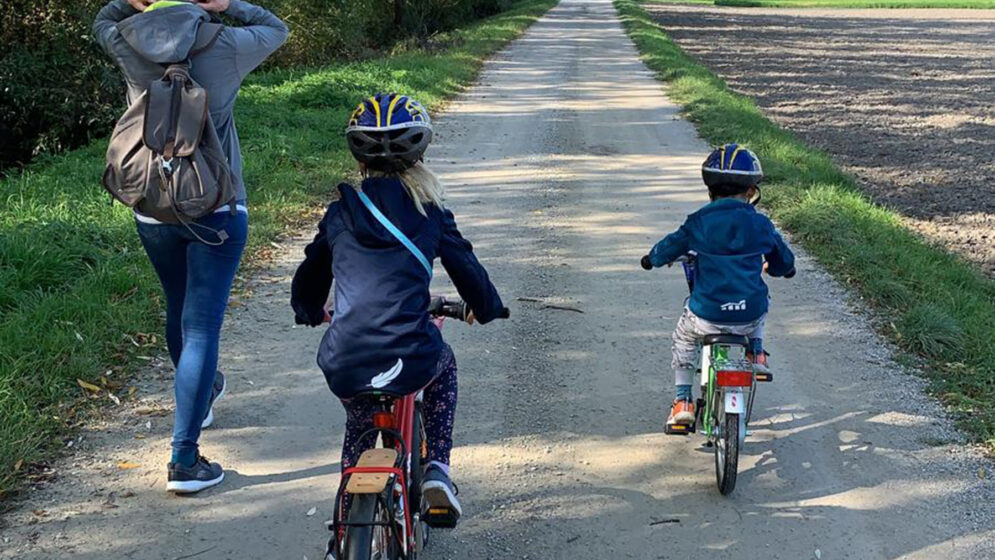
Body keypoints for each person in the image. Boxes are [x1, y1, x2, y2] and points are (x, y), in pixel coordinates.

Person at [94, 0, 287, 493]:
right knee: (201, 328)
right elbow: (275, 27)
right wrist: (227, 6)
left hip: (151, 205)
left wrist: (128, 2)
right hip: (216, 205)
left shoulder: (128, 39)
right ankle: (183, 458)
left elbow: (103, 19)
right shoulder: (225, 43)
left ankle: (201, 397)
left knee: (179, 309)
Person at [291, 93, 506, 524]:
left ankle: (345, 530)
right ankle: (438, 471)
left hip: (345, 360)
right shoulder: (430, 212)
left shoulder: (340, 213)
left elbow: (310, 276)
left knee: (360, 421)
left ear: (359, 159)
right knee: (443, 366)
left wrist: (309, 309)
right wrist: (486, 307)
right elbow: (466, 269)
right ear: (420, 153)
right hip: (409, 355)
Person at [641, 144, 796, 430]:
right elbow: (783, 262)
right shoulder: (761, 225)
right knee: (763, 300)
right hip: (748, 317)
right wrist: (783, 269)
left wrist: (652, 258)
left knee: (685, 337)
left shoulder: (699, 222)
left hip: (707, 316)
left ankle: (683, 400)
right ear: (751, 192)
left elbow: (669, 247)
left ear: (709, 189)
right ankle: (757, 351)